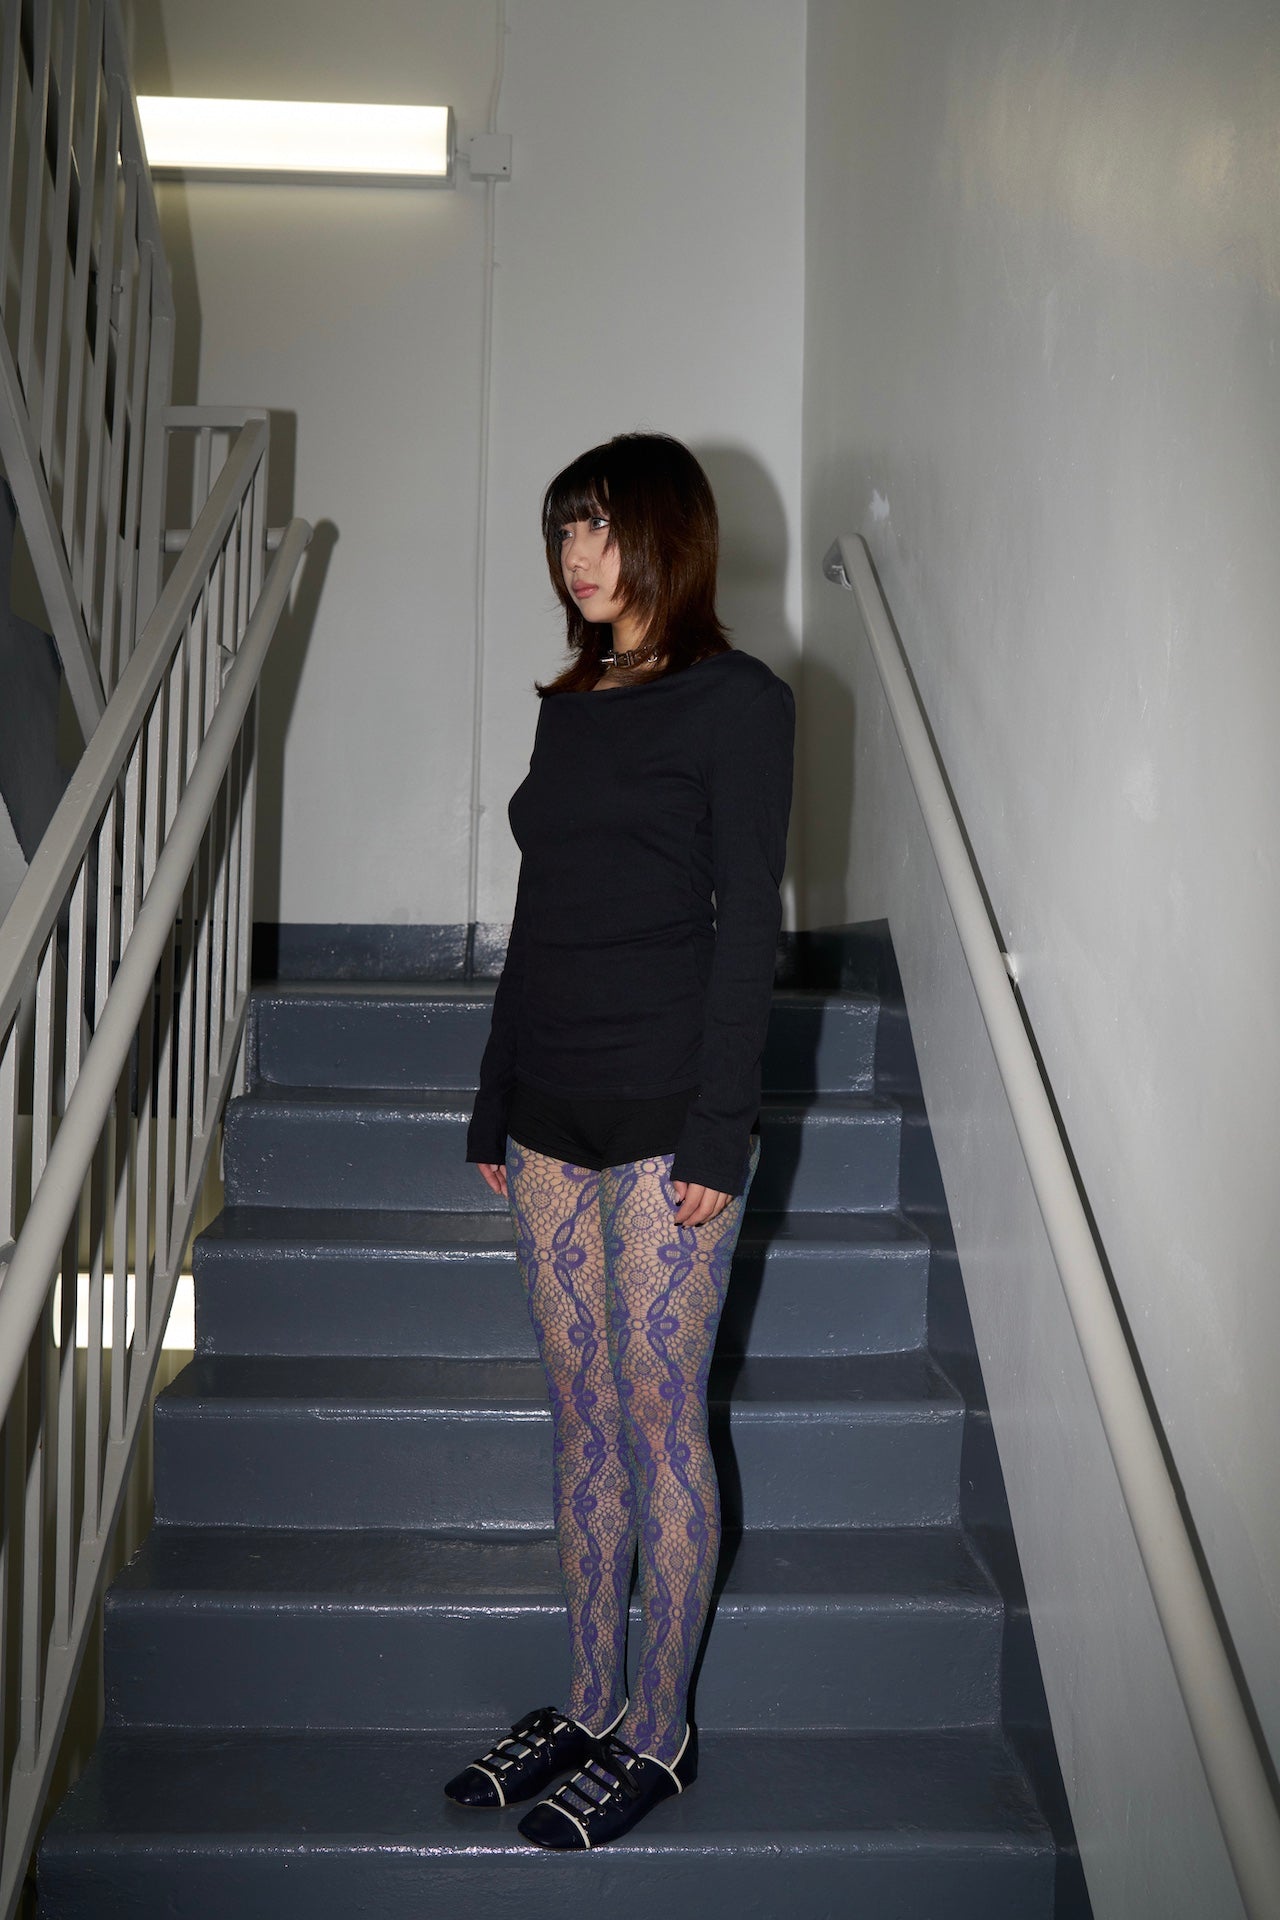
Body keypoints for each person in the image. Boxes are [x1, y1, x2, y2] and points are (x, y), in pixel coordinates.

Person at [444, 432, 795, 1849]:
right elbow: (542, 917)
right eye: (563, 530)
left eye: (599, 527)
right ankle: (590, 1699)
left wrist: (721, 1126)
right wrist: (495, 1091)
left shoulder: (742, 701)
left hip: (666, 1116)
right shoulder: (570, 704)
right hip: (552, 1108)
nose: (576, 556)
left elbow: (749, 924)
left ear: (666, 537)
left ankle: (662, 1725)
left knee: (659, 1422)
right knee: (581, 1416)